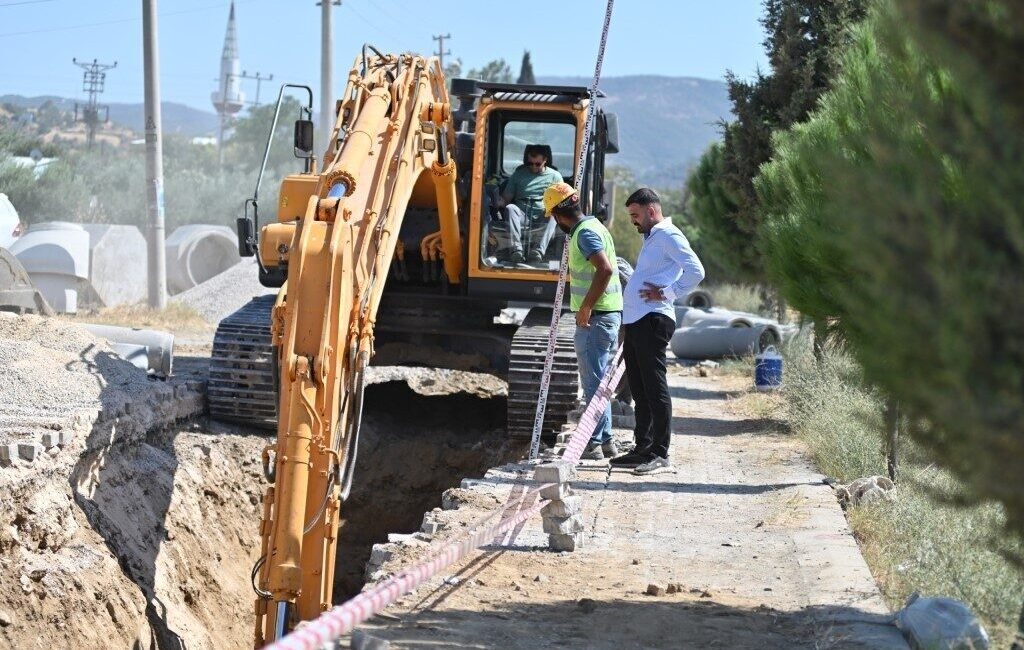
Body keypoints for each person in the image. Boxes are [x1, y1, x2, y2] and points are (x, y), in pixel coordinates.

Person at [610, 188, 705, 475]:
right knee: (639, 388)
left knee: (655, 388)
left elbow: (696, 271)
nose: (633, 221)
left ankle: (660, 454)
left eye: (636, 215)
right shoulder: (653, 238)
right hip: (638, 320)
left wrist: (667, 293)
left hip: (654, 320)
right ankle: (643, 448)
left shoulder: (668, 235)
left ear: (651, 211)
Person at [543, 182, 622, 460]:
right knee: (598, 380)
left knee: (592, 382)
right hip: (606, 315)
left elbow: (605, 269)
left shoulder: (585, 233)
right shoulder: (595, 226)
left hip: (596, 317)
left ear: (556, 215)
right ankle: (606, 440)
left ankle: (596, 443)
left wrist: (586, 306)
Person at [496, 144, 563, 263]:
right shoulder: (518, 175)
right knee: (511, 208)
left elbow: (561, 200)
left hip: (543, 215)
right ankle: (516, 250)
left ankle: (537, 251)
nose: (533, 167)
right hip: (523, 215)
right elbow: (506, 198)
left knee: (554, 212)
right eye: (530, 163)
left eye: (537, 164)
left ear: (545, 161)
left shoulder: (555, 177)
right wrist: (496, 201)